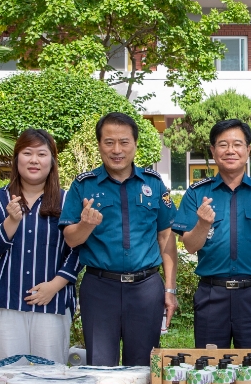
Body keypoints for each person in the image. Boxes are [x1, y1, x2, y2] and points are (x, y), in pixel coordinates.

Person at [60, 112, 178, 366]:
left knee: (143, 367)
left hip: (146, 288)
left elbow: (166, 237)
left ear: (135, 144)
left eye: (124, 142)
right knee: (101, 367)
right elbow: (71, 239)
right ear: (99, 145)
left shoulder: (154, 184)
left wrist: (170, 289)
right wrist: (86, 225)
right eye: (109, 142)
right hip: (100, 288)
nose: (117, 150)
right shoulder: (83, 185)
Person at [172, 118, 251, 348]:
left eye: (237, 144)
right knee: (209, 366)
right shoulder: (197, 193)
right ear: (213, 150)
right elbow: (190, 246)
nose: (230, 151)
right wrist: (203, 224)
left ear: (248, 149)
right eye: (223, 145)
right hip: (212, 294)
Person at [0, 128, 81, 364]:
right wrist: (11, 221)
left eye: (41, 154)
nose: (34, 160)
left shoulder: (67, 201)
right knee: (8, 376)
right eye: (27, 153)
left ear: (52, 161)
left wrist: (54, 286)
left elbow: (79, 249)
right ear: (17, 159)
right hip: (6, 303)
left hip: (52, 303)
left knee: (50, 377)